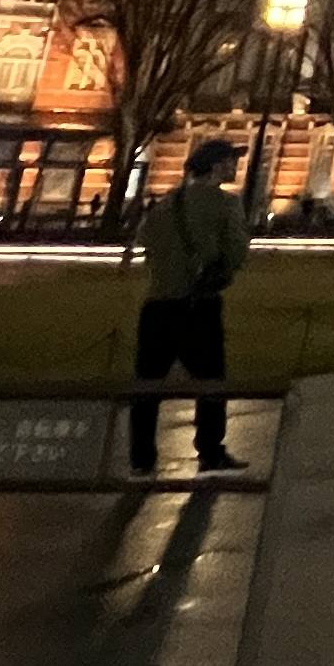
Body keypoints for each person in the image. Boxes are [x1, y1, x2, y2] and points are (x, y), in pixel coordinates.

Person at [130, 140, 250, 475]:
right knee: (211, 381)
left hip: (157, 305)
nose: (235, 166)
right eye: (230, 161)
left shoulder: (168, 203)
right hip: (199, 306)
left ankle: (141, 457)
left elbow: (145, 240)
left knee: (147, 385)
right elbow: (237, 253)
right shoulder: (225, 204)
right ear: (216, 166)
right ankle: (210, 451)